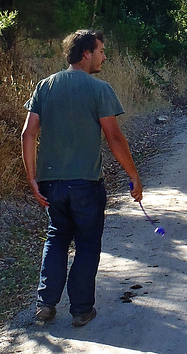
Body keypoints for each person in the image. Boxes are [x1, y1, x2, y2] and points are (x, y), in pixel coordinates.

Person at [21, 29, 143, 327]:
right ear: (86, 53)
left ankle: (45, 305)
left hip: (51, 184)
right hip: (86, 184)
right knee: (87, 244)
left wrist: (32, 179)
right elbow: (114, 137)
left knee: (57, 237)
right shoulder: (99, 89)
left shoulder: (45, 86)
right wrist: (134, 176)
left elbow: (28, 133)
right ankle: (81, 310)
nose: (104, 56)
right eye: (101, 50)